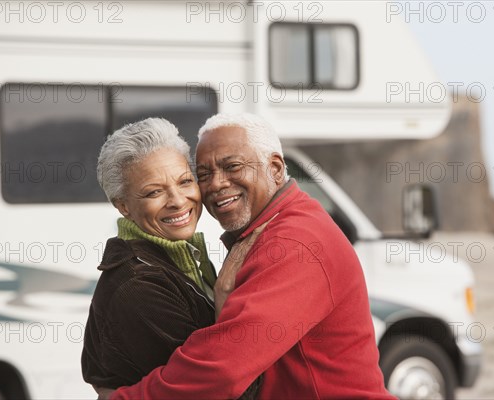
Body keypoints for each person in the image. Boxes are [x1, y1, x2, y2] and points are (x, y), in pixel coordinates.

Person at [106, 113, 395, 399]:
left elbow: (223, 369)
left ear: (276, 169)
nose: (216, 184)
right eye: (203, 174)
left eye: (232, 166)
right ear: (123, 206)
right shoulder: (274, 227)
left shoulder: (294, 242)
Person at [81, 117, 260, 398]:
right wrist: (225, 299)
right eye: (154, 192)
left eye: (185, 181)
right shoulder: (138, 285)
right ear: (123, 206)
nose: (177, 200)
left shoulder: (181, 258)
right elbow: (222, 386)